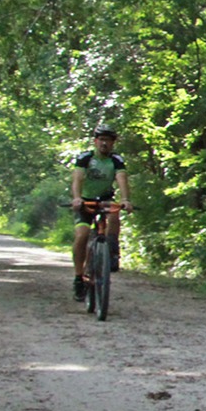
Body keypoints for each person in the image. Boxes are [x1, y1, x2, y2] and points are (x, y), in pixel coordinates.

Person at [71, 127, 133, 299]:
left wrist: (125, 199)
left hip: (105, 199)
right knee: (82, 235)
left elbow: (122, 179)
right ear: (95, 141)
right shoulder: (86, 158)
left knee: (114, 214)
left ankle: (112, 251)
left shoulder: (116, 159)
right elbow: (77, 179)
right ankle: (78, 277)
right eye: (101, 139)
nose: (104, 143)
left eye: (108, 140)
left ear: (113, 143)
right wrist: (77, 198)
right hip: (85, 201)